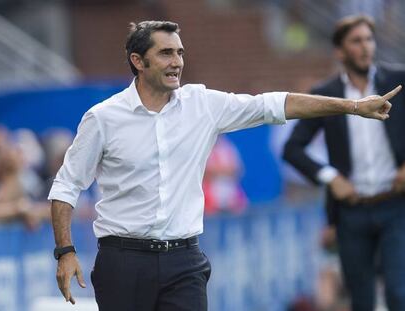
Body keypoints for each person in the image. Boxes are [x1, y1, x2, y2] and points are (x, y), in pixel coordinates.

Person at [48, 20, 401, 311]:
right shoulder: (103, 118)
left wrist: (353, 106)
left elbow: (277, 104)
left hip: (184, 260)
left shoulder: (203, 104)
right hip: (123, 260)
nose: (177, 62)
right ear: (138, 61)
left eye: (180, 53)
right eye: (166, 53)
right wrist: (65, 252)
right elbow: (66, 186)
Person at [283, 15, 405, 311]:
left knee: (398, 293)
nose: (365, 47)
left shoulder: (399, 82)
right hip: (352, 211)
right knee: (360, 300)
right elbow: (292, 148)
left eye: (369, 39)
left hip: (396, 206)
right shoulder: (327, 96)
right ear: (339, 51)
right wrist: (329, 177)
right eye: (356, 41)